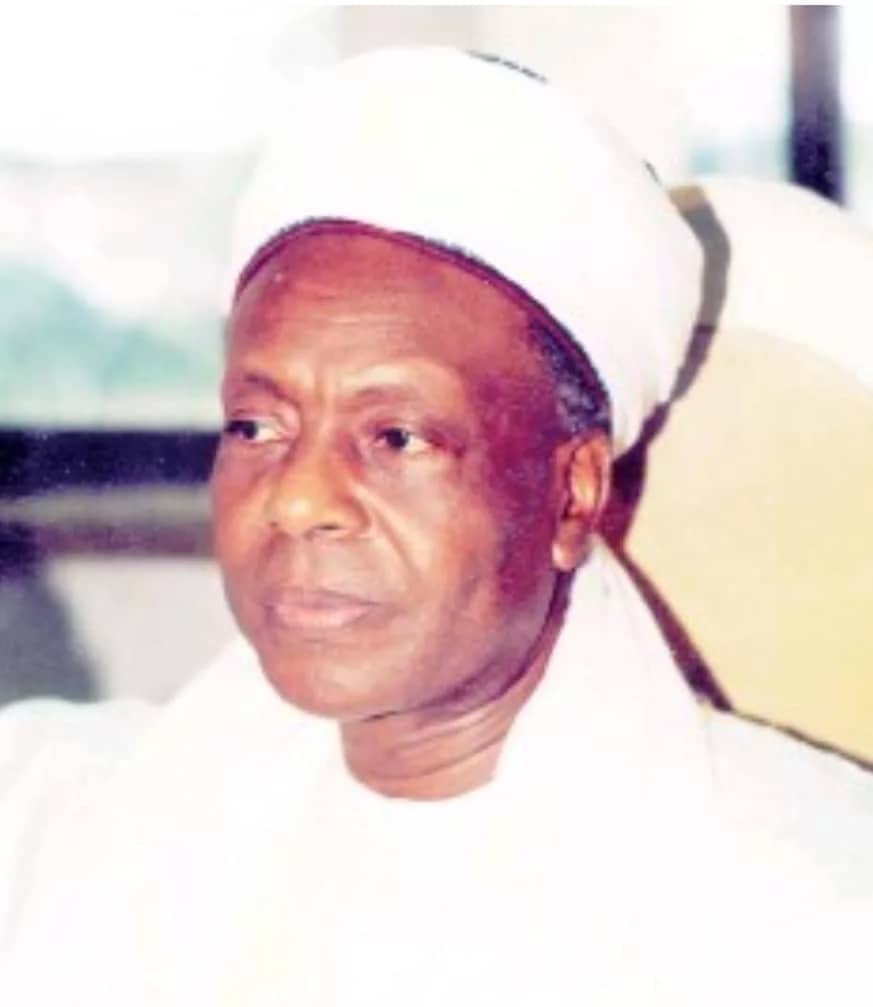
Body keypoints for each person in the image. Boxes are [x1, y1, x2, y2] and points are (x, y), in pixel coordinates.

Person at [1, 47, 871, 1005]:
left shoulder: (799, 917)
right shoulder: (54, 819)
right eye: (255, 426)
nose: (296, 500)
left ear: (572, 494)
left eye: (396, 437)